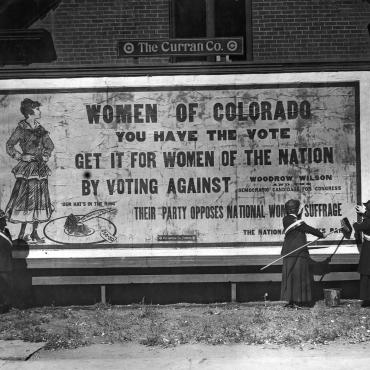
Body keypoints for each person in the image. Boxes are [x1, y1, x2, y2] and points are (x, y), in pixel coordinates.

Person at [5, 98, 54, 242]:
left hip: (39, 168)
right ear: (29, 112)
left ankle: (34, 233)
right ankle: (21, 235)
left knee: (39, 201)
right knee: (25, 201)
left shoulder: (41, 129)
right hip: (28, 169)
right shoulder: (21, 128)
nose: (39, 111)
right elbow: (9, 145)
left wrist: (45, 155)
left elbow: (50, 145)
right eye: (37, 109)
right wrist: (21, 156)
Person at [281, 199, 325, 308]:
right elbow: (306, 228)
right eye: (299, 208)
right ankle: (296, 302)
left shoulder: (288, 219)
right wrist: (320, 234)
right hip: (297, 253)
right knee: (298, 277)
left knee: (291, 277)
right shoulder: (293, 220)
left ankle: (292, 301)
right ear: (295, 209)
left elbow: (301, 226)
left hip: (291, 252)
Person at [353, 200, 370, 307]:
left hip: (368, 251)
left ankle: (367, 299)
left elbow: (359, 226)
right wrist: (365, 213)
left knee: (366, 274)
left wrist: (354, 224)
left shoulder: (368, 221)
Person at [0, 209, 13, 313]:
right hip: (1, 267)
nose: (5, 222)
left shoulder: (6, 232)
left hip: (6, 265)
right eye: (3, 220)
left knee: (5, 288)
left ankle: (5, 306)